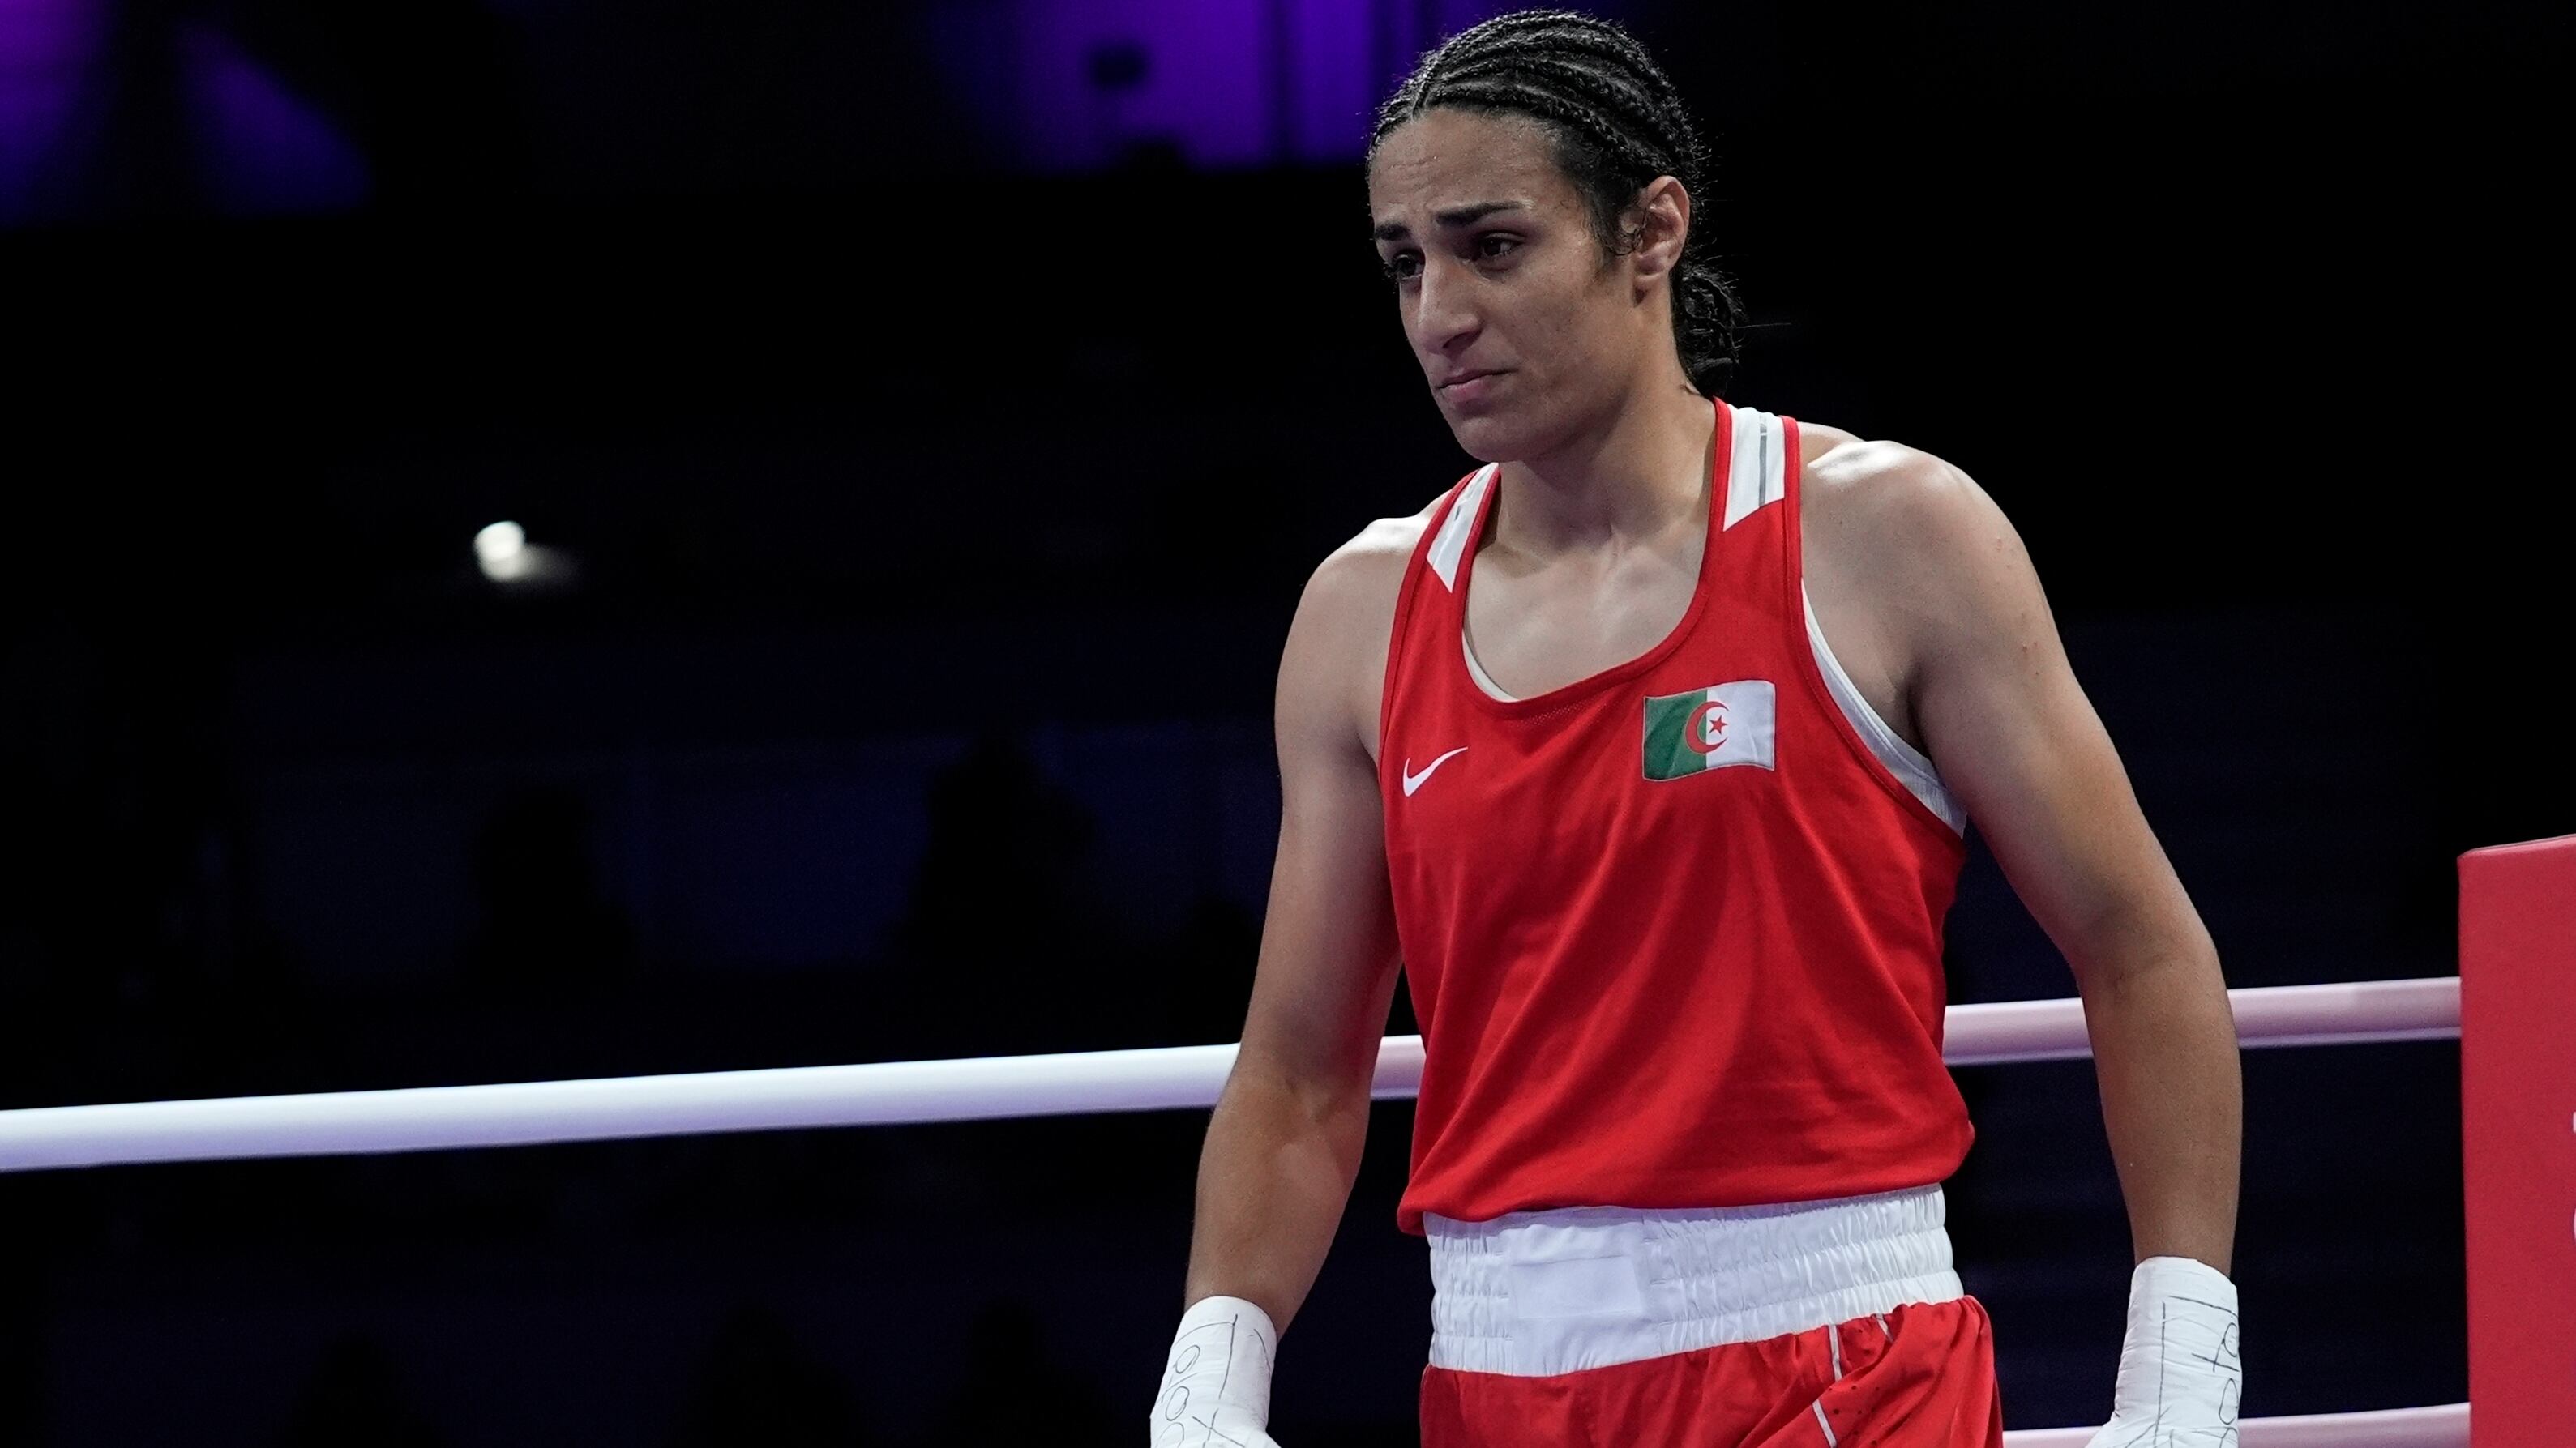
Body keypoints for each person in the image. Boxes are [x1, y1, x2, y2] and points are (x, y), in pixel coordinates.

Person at [1153, 11, 2241, 1446]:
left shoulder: (1885, 536)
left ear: (1649, 229)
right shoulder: (1362, 612)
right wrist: (1209, 1382)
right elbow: (1299, 1071)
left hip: (1839, 1358)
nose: (1438, 313)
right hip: (1493, 1381)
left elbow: (2140, 948)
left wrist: (2182, 1368)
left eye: (1492, 245)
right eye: (1404, 261)